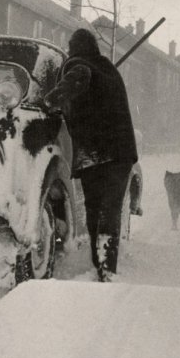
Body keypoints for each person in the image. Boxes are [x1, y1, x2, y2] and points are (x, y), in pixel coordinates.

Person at [43, 28, 138, 282]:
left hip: (97, 154)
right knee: (107, 211)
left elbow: (76, 79)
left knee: (99, 210)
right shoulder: (106, 69)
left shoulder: (80, 65)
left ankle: (104, 270)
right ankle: (105, 268)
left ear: (75, 49)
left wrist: (49, 102)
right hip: (119, 154)